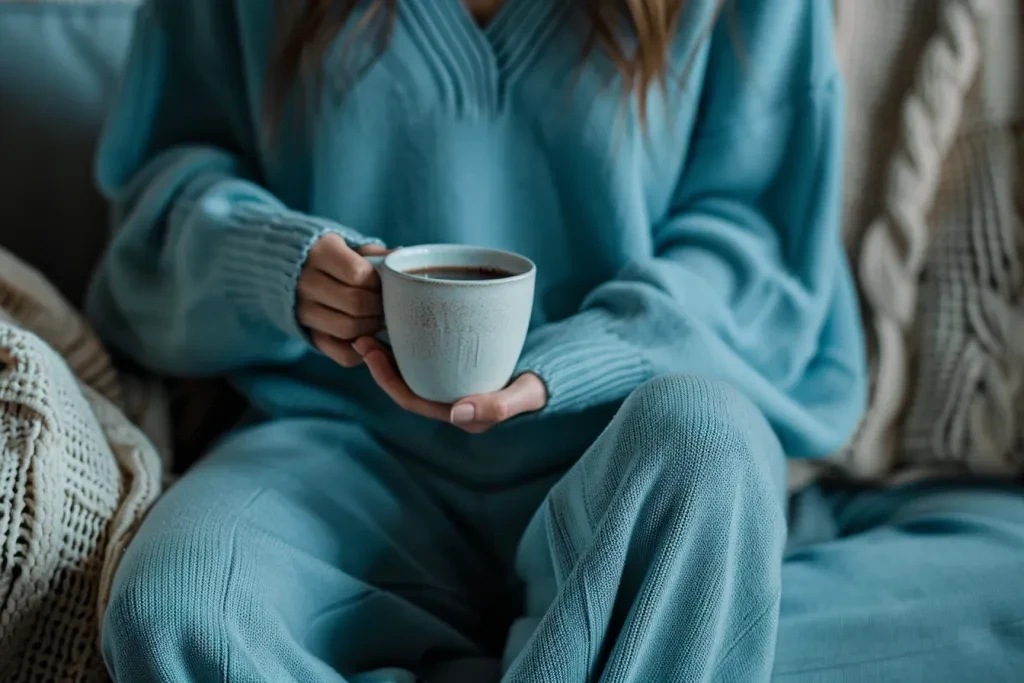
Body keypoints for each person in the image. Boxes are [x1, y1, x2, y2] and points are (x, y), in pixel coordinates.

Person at [88, 0, 1014, 681]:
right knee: (177, 607)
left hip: (626, 465)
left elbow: (757, 249)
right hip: (343, 455)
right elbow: (163, 197)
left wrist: (579, 358)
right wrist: (276, 265)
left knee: (706, 438)